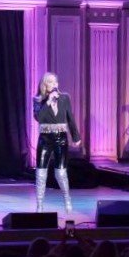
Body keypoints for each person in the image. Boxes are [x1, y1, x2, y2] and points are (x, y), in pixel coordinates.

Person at [33, 72, 81, 213]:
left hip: (61, 138)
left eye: (55, 82)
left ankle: (67, 199)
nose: (54, 84)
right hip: (45, 139)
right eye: (50, 82)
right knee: (41, 173)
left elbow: (70, 117)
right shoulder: (38, 100)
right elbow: (39, 118)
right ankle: (40, 205)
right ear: (44, 85)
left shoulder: (65, 98)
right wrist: (48, 102)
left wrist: (76, 136)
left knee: (60, 173)